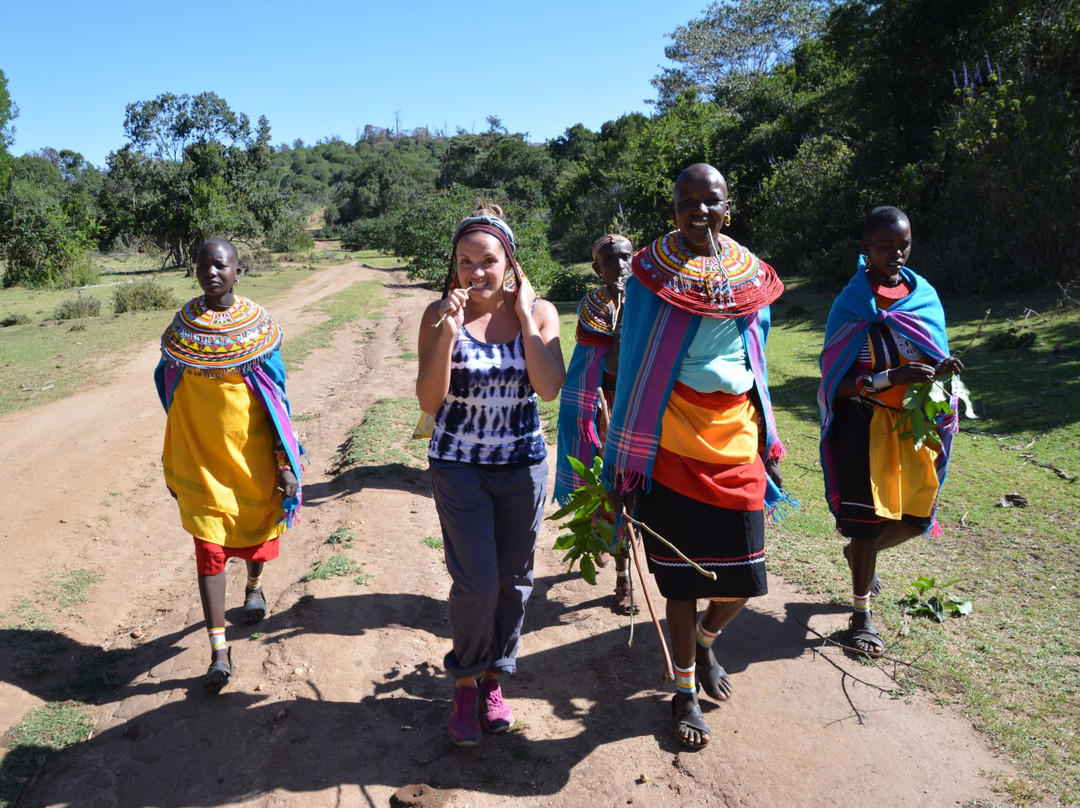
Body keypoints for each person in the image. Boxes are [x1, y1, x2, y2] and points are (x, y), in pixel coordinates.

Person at [602, 164, 792, 750]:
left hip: (736, 434)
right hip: (669, 442)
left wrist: (767, 437)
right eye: (688, 201)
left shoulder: (751, 276)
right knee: (680, 582)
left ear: (727, 206)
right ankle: (683, 692)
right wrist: (626, 460)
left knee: (745, 578)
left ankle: (708, 642)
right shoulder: (649, 276)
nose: (699, 211)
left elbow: (755, 360)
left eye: (710, 201)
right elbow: (633, 366)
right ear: (674, 208)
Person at [416, 203, 565, 746]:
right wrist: (450, 333)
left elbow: (549, 388)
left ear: (510, 262)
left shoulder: (542, 311)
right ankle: (464, 682)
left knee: (514, 582)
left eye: (488, 261)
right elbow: (428, 398)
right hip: (459, 466)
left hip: (522, 466)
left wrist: (526, 319)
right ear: (453, 265)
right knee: (475, 584)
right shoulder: (438, 313)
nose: (476, 273)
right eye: (464, 262)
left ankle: (495, 679)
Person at [155, 237, 304, 693]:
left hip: (252, 455)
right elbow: (167, 384)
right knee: (209, 549)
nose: (211, 273)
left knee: (256, 536)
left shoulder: (257, 329)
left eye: (221, 266)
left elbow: (275, 400)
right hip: (201, 459)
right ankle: (219, 650)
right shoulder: (182, 329)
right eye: (203, 266)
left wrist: (284, 460)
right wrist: (178, 448)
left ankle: (254, 586)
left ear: (238, 271)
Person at [818, 206, 964, 658]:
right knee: (864, 524)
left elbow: (927, 353)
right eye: (885, 246)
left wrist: (942, 370)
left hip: (909, 426)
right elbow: (833, 385)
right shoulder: (851, 304)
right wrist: (888, 380)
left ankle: (861, 558)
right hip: (859, 422)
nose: (896, 254)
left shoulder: (923, 297)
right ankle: (861, 615)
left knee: (917, 516)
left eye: (903, 244)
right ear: (866, 248)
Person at [553, 234, 640, 615]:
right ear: (597, 268)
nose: (619, 267)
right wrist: (623, 316)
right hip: (607, 414)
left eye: (625, 258)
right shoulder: (595, 304)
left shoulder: (649, 296)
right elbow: (613, 367)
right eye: (610, 261)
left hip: (645, 411)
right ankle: (624, 577)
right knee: (614, 493)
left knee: (643, 496)